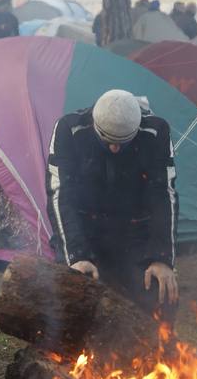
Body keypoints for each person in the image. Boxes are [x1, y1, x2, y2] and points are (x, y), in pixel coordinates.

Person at [46, 89, 179, 325]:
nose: (115, 149)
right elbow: (61, 196)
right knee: (76, 300)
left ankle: (155, 356)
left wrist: (162, 257)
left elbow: (163, 195)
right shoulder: (70, 129)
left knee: (159, 293)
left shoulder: (156, 131)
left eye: (122, 142)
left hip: (135, 232)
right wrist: (76, 256)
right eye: (107, 141)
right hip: (86, 231)